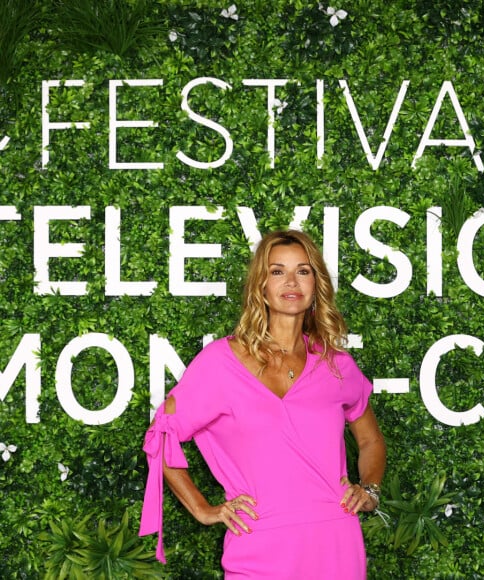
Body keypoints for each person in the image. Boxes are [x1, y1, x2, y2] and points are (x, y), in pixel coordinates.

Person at [139, 230, 387, 579]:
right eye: (276, 271)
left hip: (335, 541)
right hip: (259, 544)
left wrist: (371, 490)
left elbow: (370, 440)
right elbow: (161, 433)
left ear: (316, 283)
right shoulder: (221, 363)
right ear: (261, 286)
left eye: (303, 271)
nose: (291, 281)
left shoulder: (335, 364)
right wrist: (203, 509)